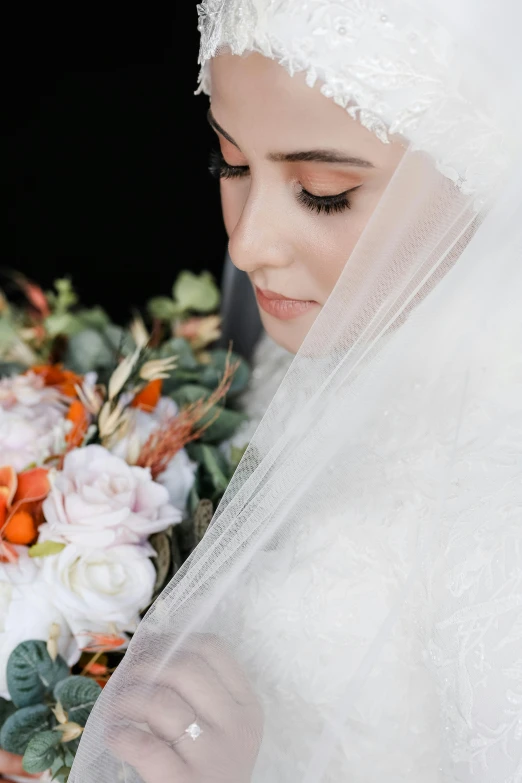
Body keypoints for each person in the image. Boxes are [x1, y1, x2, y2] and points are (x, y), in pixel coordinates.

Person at [70, 1, 522, 781]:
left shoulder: (498, 501)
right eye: (231, 165)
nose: (247, 244)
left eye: (322, 191)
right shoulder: (319, 345)